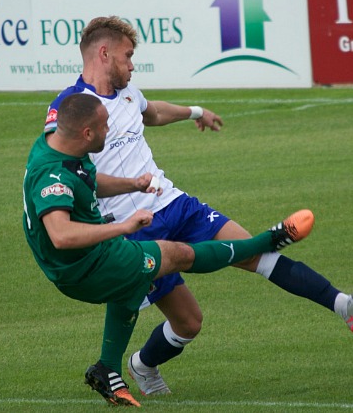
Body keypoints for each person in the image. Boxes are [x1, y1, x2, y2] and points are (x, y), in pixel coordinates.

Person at [44, 16, 353, 396]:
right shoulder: (70, 109)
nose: (132, 64)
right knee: (189, 323)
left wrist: (194, 111)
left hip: (175, 204)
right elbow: (60, 163)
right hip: (136, 229)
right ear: (104, 53)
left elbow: (151, 112)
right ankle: (142, 364)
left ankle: (345, 306)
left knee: (259, 250)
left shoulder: (128, 93)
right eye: (127, 56)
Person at [23, 93, 314, 406]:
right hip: (85, 266)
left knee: (135, 280)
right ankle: (264, 242)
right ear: (87, 133)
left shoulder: (62, 147)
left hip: (93, 255)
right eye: (105, 127)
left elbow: (88, 179)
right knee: (178, 255)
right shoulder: (50, 176)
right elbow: (61, 235)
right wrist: (124, 226)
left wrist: (133, 184)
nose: (110, 132)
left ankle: (107, 367)